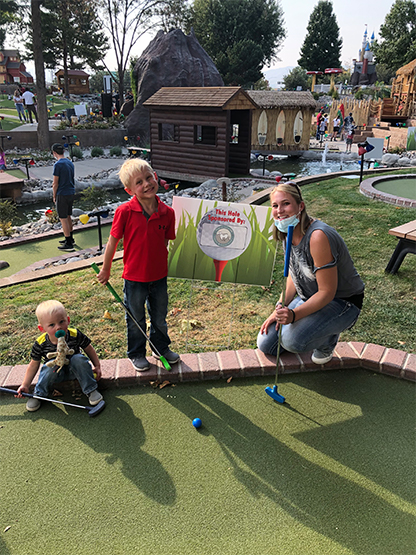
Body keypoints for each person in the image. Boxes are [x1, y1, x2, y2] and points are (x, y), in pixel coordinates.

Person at [257, 182, 364, 365]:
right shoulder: (287, 231)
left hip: (342, 302)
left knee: (293, 341)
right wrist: (281, 307)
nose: (280, 210)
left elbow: (327, 292)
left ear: (301, 206)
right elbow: (293, 275)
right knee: (266, 343)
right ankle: (312, 329)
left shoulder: (318, 236)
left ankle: (327, 341)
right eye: (275, 205)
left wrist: (293, 316)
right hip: (310, 296)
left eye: (286, 204)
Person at [96, 159, 179, 372]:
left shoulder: (168, 212)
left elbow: (165, 241)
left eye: (149, 177)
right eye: (139, 182)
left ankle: (160, 348)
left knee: (159, 317)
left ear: (156, 176)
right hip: (134, 278)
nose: (147, 184)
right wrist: (106, 269)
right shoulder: (124, 212)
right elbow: (113, 241)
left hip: (159, 276)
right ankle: (136, 353)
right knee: (135, 319)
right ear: (129, 190)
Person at [17, 300, 102, 412]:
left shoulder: (75, 334)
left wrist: (97, 366)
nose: (58, 327)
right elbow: (34, 364)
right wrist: (25, 385)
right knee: (48, 367)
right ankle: (39, 394)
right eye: (52, 325)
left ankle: (91, 389)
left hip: (75, 371)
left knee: (78, 359)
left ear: (68, 320)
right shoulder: (41, 343)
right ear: (42, 329)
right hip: (56, 374)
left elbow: (88, 348)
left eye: (61, 321)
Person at [51, 143, 75, 251]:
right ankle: (70, 238)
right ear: (63, 151)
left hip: (62, 193)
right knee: (68, 215)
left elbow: (55, 183)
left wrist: (54, 195)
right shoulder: (70, 163)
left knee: (63, 218)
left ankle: (68, 243)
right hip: (71, 192)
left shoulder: (58, 165)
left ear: (54, 153)